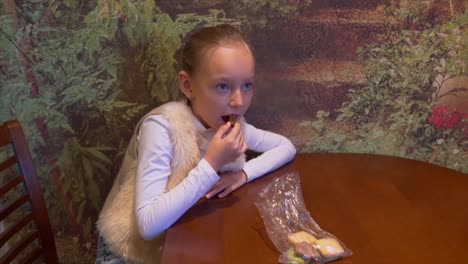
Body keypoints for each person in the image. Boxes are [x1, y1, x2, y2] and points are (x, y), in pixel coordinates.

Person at [96, 24, 296, 263]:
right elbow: (148, 225)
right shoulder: (162, 128)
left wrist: (243, 174)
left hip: (182, 240)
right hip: (128, 252)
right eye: (223, 86)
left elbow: (285, 147)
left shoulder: (233, 125)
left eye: (247, 85)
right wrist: (212, 164)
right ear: (188, 86)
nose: (238, 101)